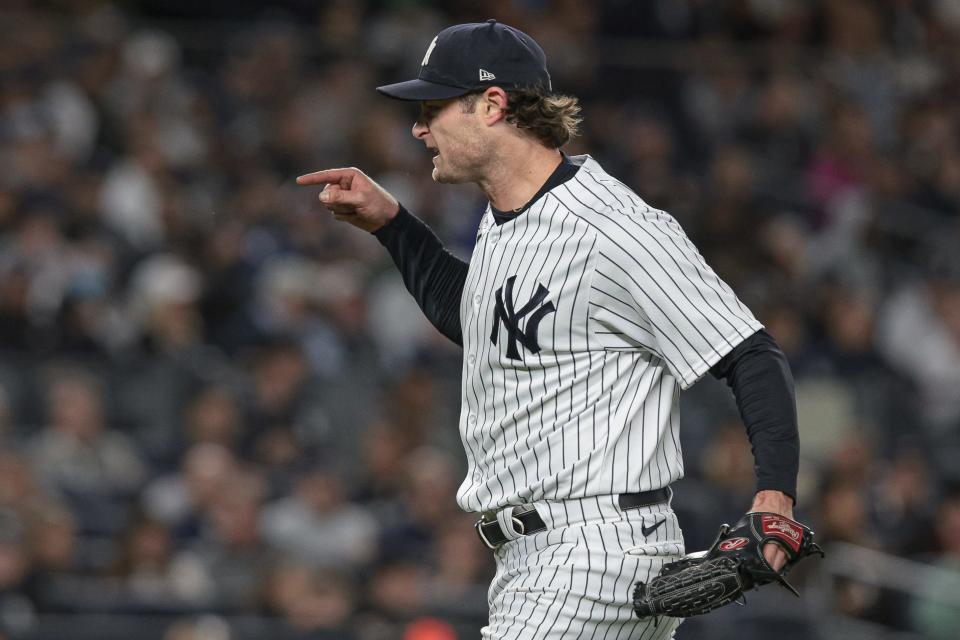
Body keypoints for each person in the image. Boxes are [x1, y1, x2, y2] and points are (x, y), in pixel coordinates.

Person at [298, 20, 800, 639]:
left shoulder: (612, 228)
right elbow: (480, 322)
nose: (418, 127)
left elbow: (750, 352)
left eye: (433, 107)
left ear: (491, 105)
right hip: (550, 555)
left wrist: (774, 498)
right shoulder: (503, 218)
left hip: (586, 554)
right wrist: (392, 226)